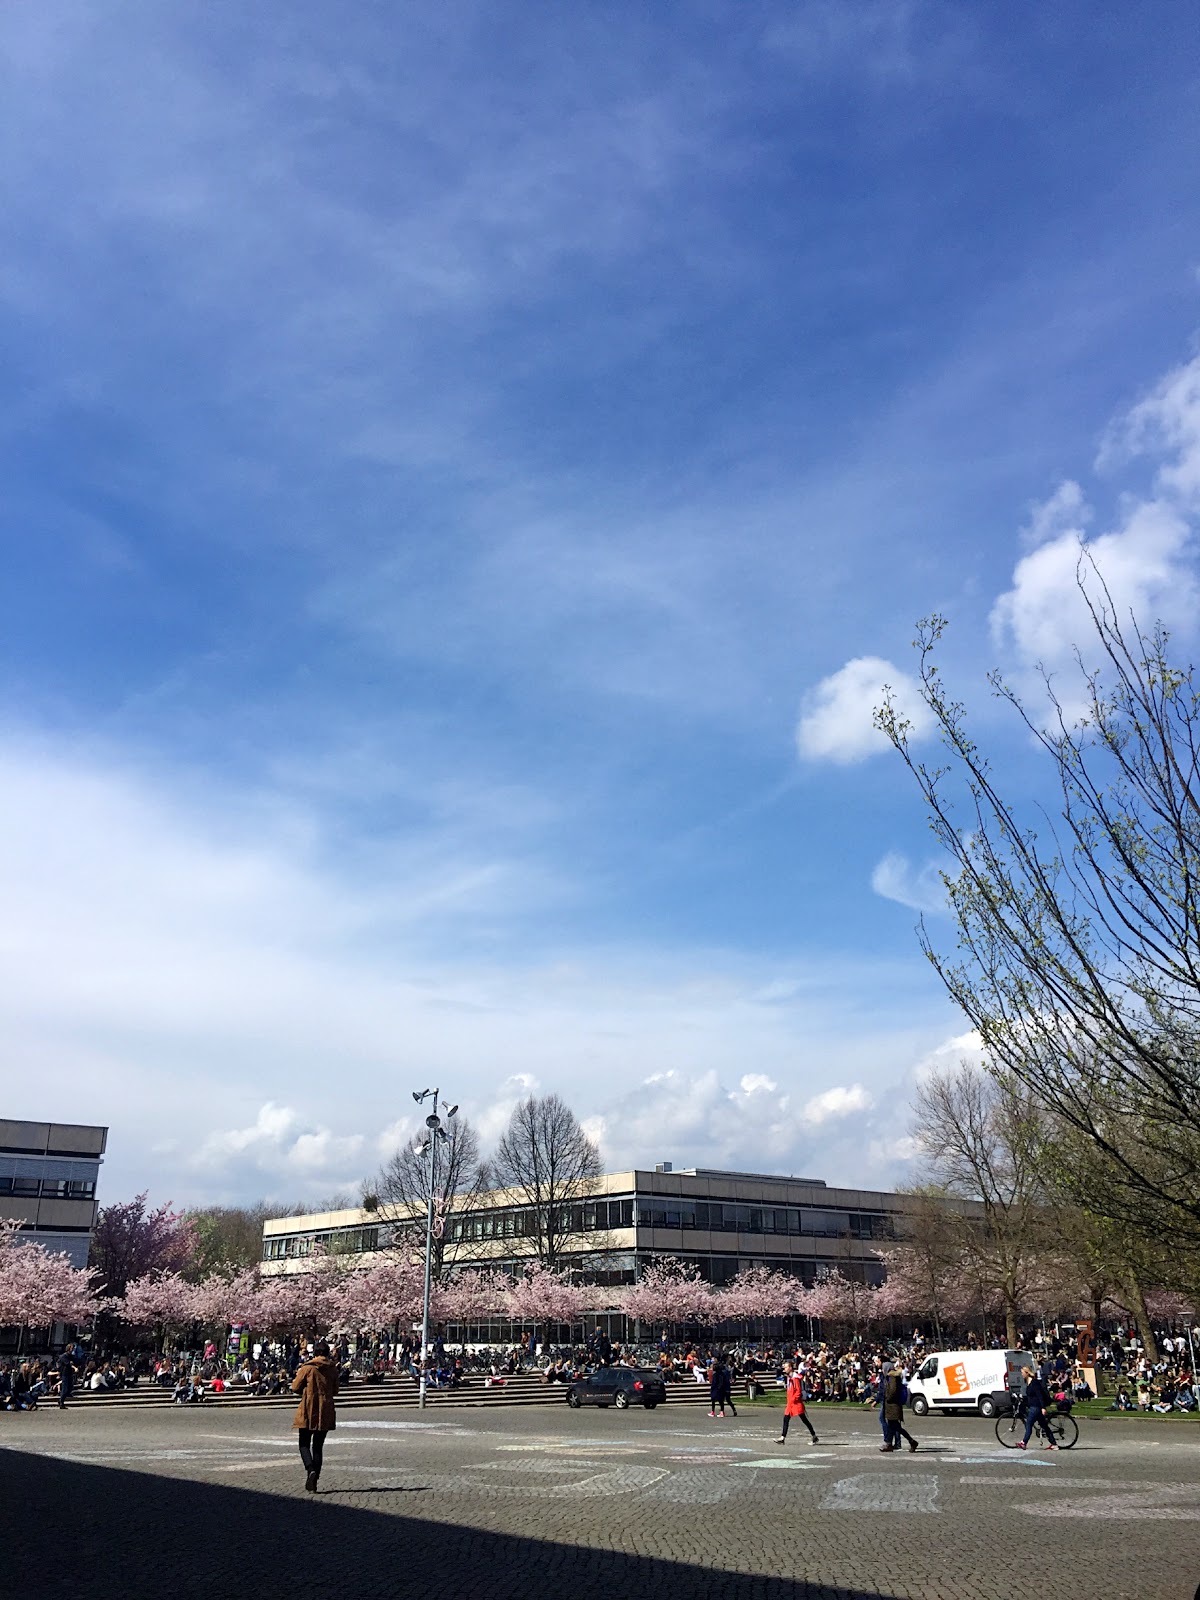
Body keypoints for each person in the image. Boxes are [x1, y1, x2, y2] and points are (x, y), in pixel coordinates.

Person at [291, 1339, 339, 1493]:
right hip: (325, 1409)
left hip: (308, 1408)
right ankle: (315, 1480)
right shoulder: (332, 1369)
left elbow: (295, 1387)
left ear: (315, 1353)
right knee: (318, 1447)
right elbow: (336, 1390)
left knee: (304, 1443)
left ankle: (310, 1469)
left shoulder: (308, 1368)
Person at [776, 1360, 818, 1446]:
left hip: (796, 1403)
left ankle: (814, 1436)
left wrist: (794, 1399)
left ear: (790, 1368)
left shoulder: (795, 1378)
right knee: (786, 1419)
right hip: (790, 1403)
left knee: (804, 1419)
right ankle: (782, 1438)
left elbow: (798, 1391)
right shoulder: (789, 1377)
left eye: (786, 1367)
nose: (785, 1368)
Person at [879, 1367, 918, 1453]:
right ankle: (891, 1444)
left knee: (895, 1426)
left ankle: (911, 1441)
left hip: (893, 1406)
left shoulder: (892, 1378)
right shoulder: (894, 1378)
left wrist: (887, 1398)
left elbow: (892, 1391)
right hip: (893, 1406)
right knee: (893, 1426)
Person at [1017, 1364, 1056, 1450]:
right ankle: (1054, 1444)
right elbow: (1031, 1396)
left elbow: (1039, 1396)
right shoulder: (1028, 1383)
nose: (1022, 1375)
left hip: (1036, 1407)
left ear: (1027, 1373)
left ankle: (1024, 1442)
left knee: (1029, 1424)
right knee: (1044, 1426)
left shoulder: (1034, 1383)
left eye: (1023, 1373)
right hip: (1034, 1406)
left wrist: (1043, 1407)